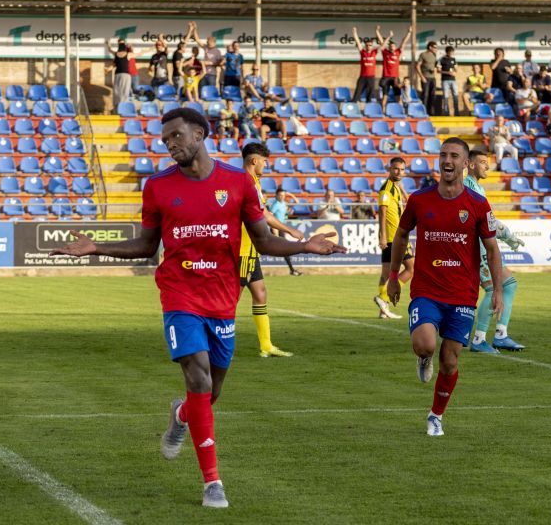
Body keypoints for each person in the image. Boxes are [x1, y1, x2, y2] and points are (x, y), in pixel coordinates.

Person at [49, 108, 344, 508]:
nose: (170, 144)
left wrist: (304, 245)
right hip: (179, 295)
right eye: (164, 139)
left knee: (211, 391)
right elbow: (146, 246)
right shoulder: (156, 187)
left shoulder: (238, 183)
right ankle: (212, 483)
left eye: (176, 136)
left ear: (200, 134)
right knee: (199, 377)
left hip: (222, 299)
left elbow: (262, 241)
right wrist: (97, 247)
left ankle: (182, 416)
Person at [387, 137, 504, 437]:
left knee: (450, 360)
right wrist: (392, 277)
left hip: (463, 294)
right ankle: (424, 356)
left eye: (454, 156)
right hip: (427, 289)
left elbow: (492, 249)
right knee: (425, 344)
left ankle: (435, 415)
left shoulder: (478, 204)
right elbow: (400, 237)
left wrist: (499, 290)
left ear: (466, 163)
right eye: (443, 155)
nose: (447, 161)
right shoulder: (419, 199)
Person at [241, 142, 307, 357]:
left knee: (260, 294)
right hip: (241, 251)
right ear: (254, 160)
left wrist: (289, 230)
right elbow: (264, 216)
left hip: (251, 250)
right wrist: (291, 230)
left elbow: (264, 213)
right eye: (264, 162)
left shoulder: (254, 183)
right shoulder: (245, 183)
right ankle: (214, 347)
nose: (266, 166)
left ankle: (266, 345)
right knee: (228, 302)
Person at [464, 150, 526, 354]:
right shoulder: (467, 188)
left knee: (509, 284)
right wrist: (507, 235)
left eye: (487, 163)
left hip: (483, 244)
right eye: (482, 162)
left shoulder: (477, 188)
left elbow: (488, 221)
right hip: (477, 247)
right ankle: (479, 339)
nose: (487, 167)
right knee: (492, 289)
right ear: (470, 164)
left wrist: (507, 235)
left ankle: (500, 335)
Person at [374, 157, 412, 320]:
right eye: (396, 169)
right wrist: (383, 236)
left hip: (393, 236)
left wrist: (402, 190)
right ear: (389, 169)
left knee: (386, 273)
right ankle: (383, 298)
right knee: (412, 268)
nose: (399, 172)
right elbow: (382, 213)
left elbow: (409, 202)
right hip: (394, 237)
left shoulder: (395, 188)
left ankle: (384, 310)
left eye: (402, 170)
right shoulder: (386, 189)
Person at [375, 25, 412, 112]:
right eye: (391, 46)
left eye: (393, 46)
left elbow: (404, 42)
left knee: (398, 95)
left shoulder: (398, 52)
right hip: (386, 77)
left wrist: (409, 33)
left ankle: (401, 111)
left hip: (395, 77)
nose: (392, 48)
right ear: (389, 47)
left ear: (395, 48)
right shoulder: (385, 52)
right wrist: (377, 31)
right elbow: (381, 41)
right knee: (385, 95)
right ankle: (383, 111)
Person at [267, 188, 303, 276]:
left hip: (281, 228)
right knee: (283, 249)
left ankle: (292, 270)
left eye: (283, 195)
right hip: (277, 228)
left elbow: (297, 202)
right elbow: (270, 217)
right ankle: (292, 270)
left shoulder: (283, 203)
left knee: (284, 250)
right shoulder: (275, 205)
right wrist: (274, 231)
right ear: (276, 196)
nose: (282, 197)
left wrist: (290, 195)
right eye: (280, 195)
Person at [352, 26, 384, 104]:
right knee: (357, 93)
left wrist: (377, 31)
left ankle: (368, 109)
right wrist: (355, 33)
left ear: (372, 46)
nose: (368, 46)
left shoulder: (374, 52)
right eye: (367, 45)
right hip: (362, 77)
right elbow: (358, 42)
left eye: (370, 45)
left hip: (371, 77)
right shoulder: (362, 52)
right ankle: (352, 106)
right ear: (365, 46)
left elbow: (383, 44)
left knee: (369, 95)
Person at [188, 21, 223, 90]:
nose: (207, 43)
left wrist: (210, 63)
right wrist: (195, 28)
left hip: (212, 74)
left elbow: (220, 63)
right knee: (202, 89)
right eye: (207, 41)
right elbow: (197, 40)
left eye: (209, 42)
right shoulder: (206, 47)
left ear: (213, 42)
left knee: (211, 90)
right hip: (203, 73)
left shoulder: (217, 51)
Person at [106, 39, 134, 108]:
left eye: (122, 44)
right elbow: (114, 64)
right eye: (120, 44)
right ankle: (117, 107)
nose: (121, 46)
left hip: (124, 74)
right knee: (117, 91)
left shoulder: (128, 54)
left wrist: (149, 49)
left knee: (124, 91)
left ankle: (123, 107)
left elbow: (139, 53)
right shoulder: (117, 54)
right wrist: (108, 44)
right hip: (118, 74)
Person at [416, 41, 439, 115]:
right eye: (435, 47)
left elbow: (435, 66)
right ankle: (423, 111)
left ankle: (431, 112)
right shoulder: (423, 54)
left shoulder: (434, 55)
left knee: (433, 95)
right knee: (425, 95)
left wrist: (434, 70)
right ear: (430, 47)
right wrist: (421, 76)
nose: (436, 49)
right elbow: (417, 66)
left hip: (433, 78)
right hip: (425, 77)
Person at [439, 46, 459, 116]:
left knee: (455, 96)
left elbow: (456, 68)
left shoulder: (454, 59)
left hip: (453, 80)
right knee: (446, 96)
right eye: (450, 52)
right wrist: (447, 73)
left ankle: (456, 113)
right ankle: (446, 113)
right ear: (447, 52)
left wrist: (455, 72)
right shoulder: (441, 59)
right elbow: (438, 70)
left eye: (452, 52)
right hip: (445, 80)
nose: (451, 53)